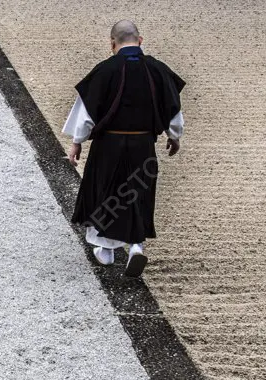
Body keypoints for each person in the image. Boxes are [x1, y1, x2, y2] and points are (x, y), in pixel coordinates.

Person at [63, 20, 185, 277]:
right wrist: (174, 137)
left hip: (108, 145)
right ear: (140, 40)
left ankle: (106, 252)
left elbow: (85, 115)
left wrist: (76, 143)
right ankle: (136, 247)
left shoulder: (105, 70)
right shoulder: (157, 70)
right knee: (136, 192)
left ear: (112, 44)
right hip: (142, 144)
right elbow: (174, 108)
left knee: (105, 194)